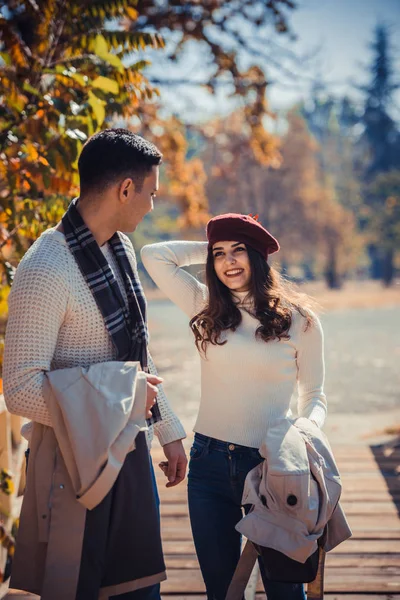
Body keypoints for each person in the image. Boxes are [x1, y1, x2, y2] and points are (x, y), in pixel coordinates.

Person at [3, 129, 187, 600]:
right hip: (72, 465)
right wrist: (125, 405)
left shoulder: (120, 248)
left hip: (129, 453)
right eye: (150, 194)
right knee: (78, 589)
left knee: (139, 589)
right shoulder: (45, 267)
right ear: (125, 189)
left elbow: (135, 356)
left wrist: (167, 429)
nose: (151, 206)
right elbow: (20, 388)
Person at [141, 213, 328, 600]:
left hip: (273, 468)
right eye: (220, 254)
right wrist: (209, 246)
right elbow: (153, 255)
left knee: (285, 590)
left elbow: (314, 396)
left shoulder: (300, 320)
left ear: (258, 256)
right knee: (223, 592)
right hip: (208, 464)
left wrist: (304, 434)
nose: (228, 262)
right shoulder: (204, 306)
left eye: (239, 250)